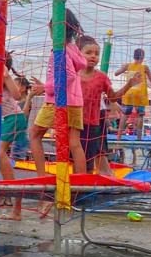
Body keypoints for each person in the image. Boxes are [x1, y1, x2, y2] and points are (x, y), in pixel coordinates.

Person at [30, 10, 88, 176]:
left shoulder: (60, 50)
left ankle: (41, 175)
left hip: (58, 102)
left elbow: (68, 76)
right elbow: (69, 75)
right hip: (76, 103)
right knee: (74, 143)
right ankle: (81, 180)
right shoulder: (73, 49)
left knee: (34, 134)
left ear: (54, 29)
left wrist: (46, 88)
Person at [78, 36, 141, 175]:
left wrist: (129, 84)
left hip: (92, 124)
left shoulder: (101, 77)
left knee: (90, 160)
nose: (93, 56)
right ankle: (78, 187)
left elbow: (113, 97)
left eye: (96, 54)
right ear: (78, 54)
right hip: (75, 124)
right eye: (88, 53)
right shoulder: (73, 74)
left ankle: (87, 186)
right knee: (77, 160)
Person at [114, 48, 151, 139]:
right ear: (143, 57)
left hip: (129, 91)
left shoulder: (128, 65)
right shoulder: (145, 67)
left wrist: (123, 69)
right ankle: (139, 137)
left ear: (133, 56)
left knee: (125, 114)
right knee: (140, 115)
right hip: (140, 93)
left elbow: (116, 73)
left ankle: (119, 136)